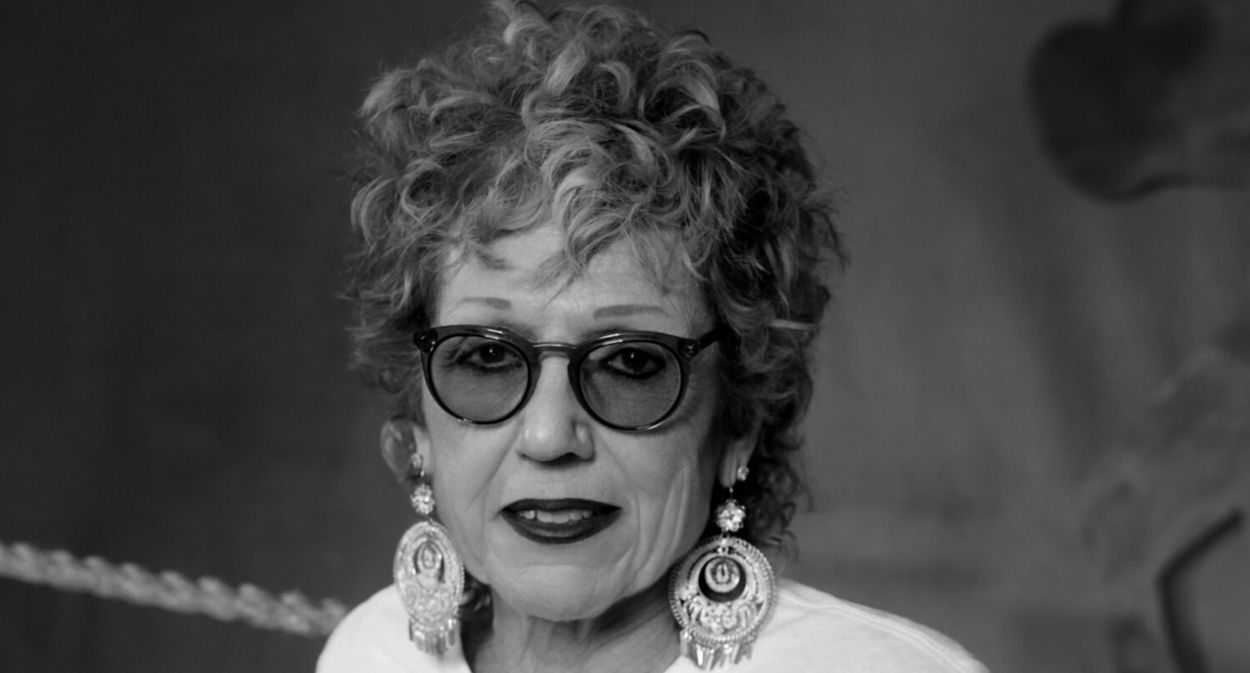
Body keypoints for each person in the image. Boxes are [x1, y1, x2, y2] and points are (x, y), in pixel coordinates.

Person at [319, 1, 987, 671]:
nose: (549, 435)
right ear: (418, 433)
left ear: (736, 426)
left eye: (632, 363)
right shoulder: (368, 652)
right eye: (488, 355)